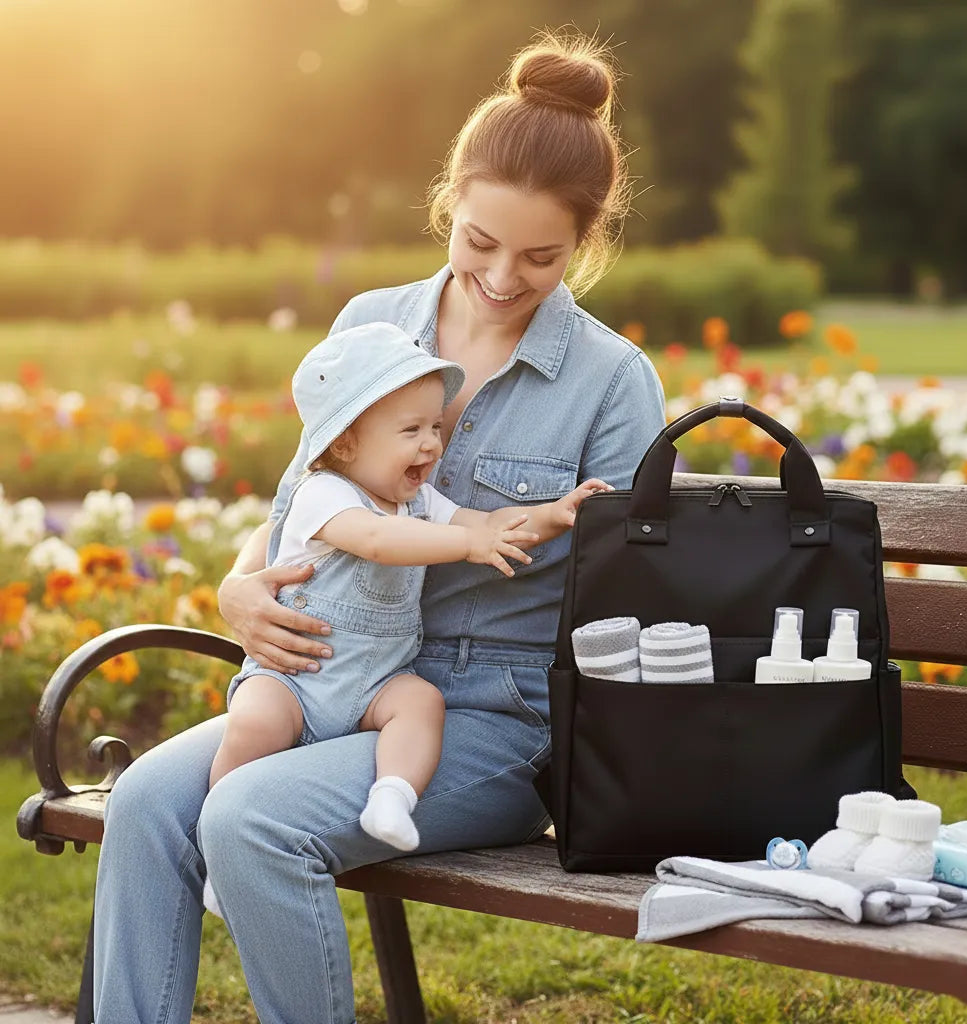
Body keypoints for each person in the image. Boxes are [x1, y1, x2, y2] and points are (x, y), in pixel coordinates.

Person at [93, 30, 667, 1024]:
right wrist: (239, 587)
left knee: (253, 818)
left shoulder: (613, 382)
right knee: (146, 802)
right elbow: (301, 501)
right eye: (477, 243)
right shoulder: (372, 322)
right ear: (449, 204)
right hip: (330, 682)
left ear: (586, 241)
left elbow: (629, 594)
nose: (498, 276)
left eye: (540, 256)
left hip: (492, 721)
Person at [204, 323, 609, 900]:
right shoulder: (323, 495)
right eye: (412, 430)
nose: (431, 446)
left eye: (436, 428)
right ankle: (221, 860)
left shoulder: (417, 500)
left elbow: (488, 525)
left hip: (373, 681)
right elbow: (375, 541)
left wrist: (557, 513)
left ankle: (391, 796)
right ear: (346, 444)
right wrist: (466, 547)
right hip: (295, 679)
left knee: (421, 703)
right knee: (254, 725)